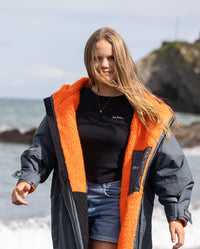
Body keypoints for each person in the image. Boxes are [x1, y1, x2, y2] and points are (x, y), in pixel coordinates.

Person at [12, 27, 194, 249]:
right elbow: (44, 148)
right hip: (73, 197)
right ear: (89, 59)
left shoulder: (144, 110)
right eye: (98, 58)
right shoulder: (67, 103)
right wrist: (27, 179)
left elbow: (170, 168)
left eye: (111, 58)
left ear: (122, 60)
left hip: (114, 200)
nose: (105, 64)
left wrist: (176, 214)